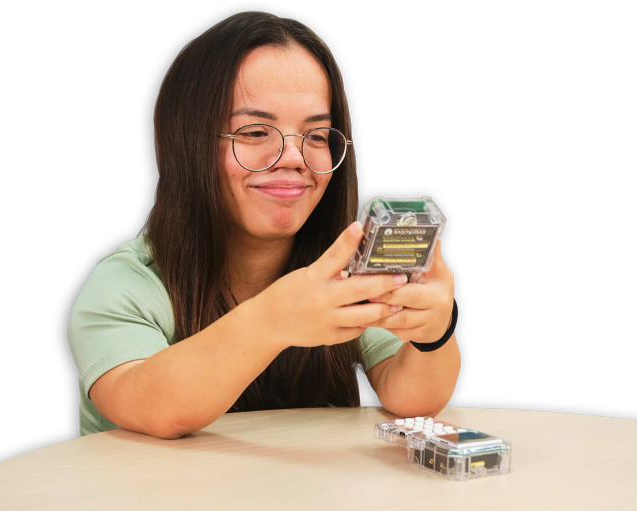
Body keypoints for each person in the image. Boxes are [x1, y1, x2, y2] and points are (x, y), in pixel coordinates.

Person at [67, 11, 459, 439]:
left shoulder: (340, 271)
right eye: (255, 132)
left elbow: (411, 401)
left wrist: (434, 332)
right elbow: (154, 407)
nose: (293, 157)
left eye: (316, 136)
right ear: (188, 143)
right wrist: (275, 318)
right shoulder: (124, 286)